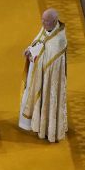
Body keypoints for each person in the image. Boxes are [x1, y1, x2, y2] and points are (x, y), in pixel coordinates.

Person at [19, 8, 68, 143]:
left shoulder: (59, 40)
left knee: (46, 99)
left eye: (46, 21)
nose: (43, 22)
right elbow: (38, 42)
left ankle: (48, 129)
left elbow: (48, 58)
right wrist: (29, 49)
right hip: (36, 72)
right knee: (30, 93)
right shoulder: (46, 28)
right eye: (42, 19)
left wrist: (34, 56)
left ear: (54, 21)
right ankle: (33, 124)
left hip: (47, 78)